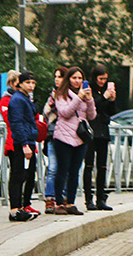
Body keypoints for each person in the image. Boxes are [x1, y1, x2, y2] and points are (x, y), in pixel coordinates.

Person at [51, 66, 96, 215]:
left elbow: (91, 116)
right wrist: (78, 98)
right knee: (62, 170)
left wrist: (89, 101)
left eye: (80, 78)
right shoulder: (61, 94)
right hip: (63, 137)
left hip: (80, 137)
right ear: (68, 79)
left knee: (75, 171)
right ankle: (58, 203)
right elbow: (65, 112)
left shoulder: (85, 94)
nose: (77, 81)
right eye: (74, 78)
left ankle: (70, 202)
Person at [7, 71, 41, 222]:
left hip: (29, 140)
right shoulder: (17, 100)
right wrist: (24, 144)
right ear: (20, 83)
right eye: (28, 82)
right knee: (18, 175)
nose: (31, 85)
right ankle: (15, 210)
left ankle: (22, 207)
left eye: (33, 83)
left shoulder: (26, 98)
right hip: (22, 142)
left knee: (27, 175)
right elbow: (17, 123)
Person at [84, 67, 118, 210]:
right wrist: (104, 97)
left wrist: (111, 100)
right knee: (89, 166)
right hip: (91, 130)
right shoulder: (89, 90)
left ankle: (101, 198)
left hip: (103, 131)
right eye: (100, 79)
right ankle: (88, 198)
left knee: (102, 166)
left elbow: (111, 112)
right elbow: (92, 105)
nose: (103, 82)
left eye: (105, 79)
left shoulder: (104, 92)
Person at [42, 68, 65, 214]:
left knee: (66, 169)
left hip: (68, 136)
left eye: (60, 77)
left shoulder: (72, 95)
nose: (56, 79)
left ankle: (64, 199)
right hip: (52, 135)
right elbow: (45, 114)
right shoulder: (52, 96)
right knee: (52, 168)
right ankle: (50, 200)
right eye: (55, 76)